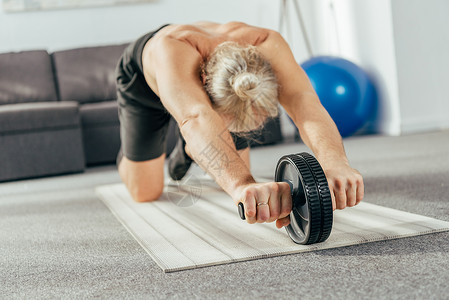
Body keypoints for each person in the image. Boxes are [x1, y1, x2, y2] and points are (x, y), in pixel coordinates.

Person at [115, 21, 364, 229]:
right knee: (145, 192)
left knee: (234, 167)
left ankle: (190, 145)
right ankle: (135, 151)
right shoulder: (171, 50)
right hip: (142, 86)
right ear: (204, 87)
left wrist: (335, 164)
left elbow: (306, 104)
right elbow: (196, 117)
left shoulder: (268, 44)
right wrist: (241, 185)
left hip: (202, 107)